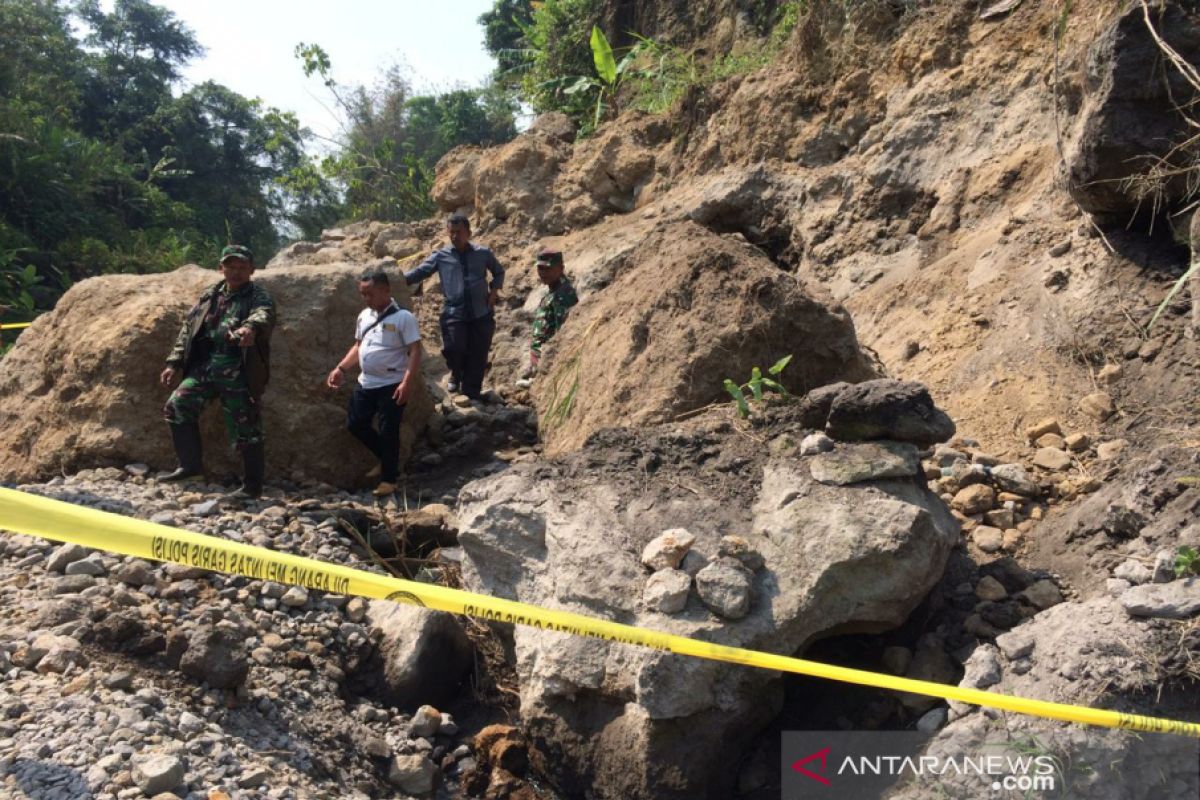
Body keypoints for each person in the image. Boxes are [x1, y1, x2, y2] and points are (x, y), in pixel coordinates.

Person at [160, 244, 276, 499]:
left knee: (246, 426)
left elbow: (263, 314)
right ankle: (191, 467)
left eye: (241, 267)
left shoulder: (257, 295)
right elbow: (188, 330)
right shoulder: (210, 295)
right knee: (177, 406)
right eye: (230, 267)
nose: (235, 272)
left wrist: (250, 329)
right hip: (207, 366)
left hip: (238, 369)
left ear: (251, 270)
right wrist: (174, 363)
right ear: (221, 268)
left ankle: (252, 487)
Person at [327, 269, 423, 497]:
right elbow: (359, 346)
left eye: (370, 294)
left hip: (392, 382)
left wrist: (407, 382)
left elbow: (415, 351)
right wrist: (341, 368)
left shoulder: (403, 318)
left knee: (389, 430)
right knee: (355, 423)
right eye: (363, 294)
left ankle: (389, 480)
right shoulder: (364, 316)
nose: (366, 299)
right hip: (367, 382)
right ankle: (387, 458)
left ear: (385, 290)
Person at [404, 213, 504, 400]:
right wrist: (398, 278)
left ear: (469, 232)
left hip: (481, 312)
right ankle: (456, 374)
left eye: (459, 232)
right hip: (454, 312)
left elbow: (498, 272)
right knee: (454, 348)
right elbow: (421, 272)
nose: (455, 236)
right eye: (451, 232)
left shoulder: (483, 253)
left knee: (478, 352)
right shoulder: (441, 256)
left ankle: (471, 394)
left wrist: (494, 292)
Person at [523, 249, 578, 379]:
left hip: (550, 362)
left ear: (561, 268)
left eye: (548, 268)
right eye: (540, 268)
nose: (543, 273)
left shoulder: (563, 295)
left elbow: (563, 333)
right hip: (541, 362)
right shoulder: (553, 291)